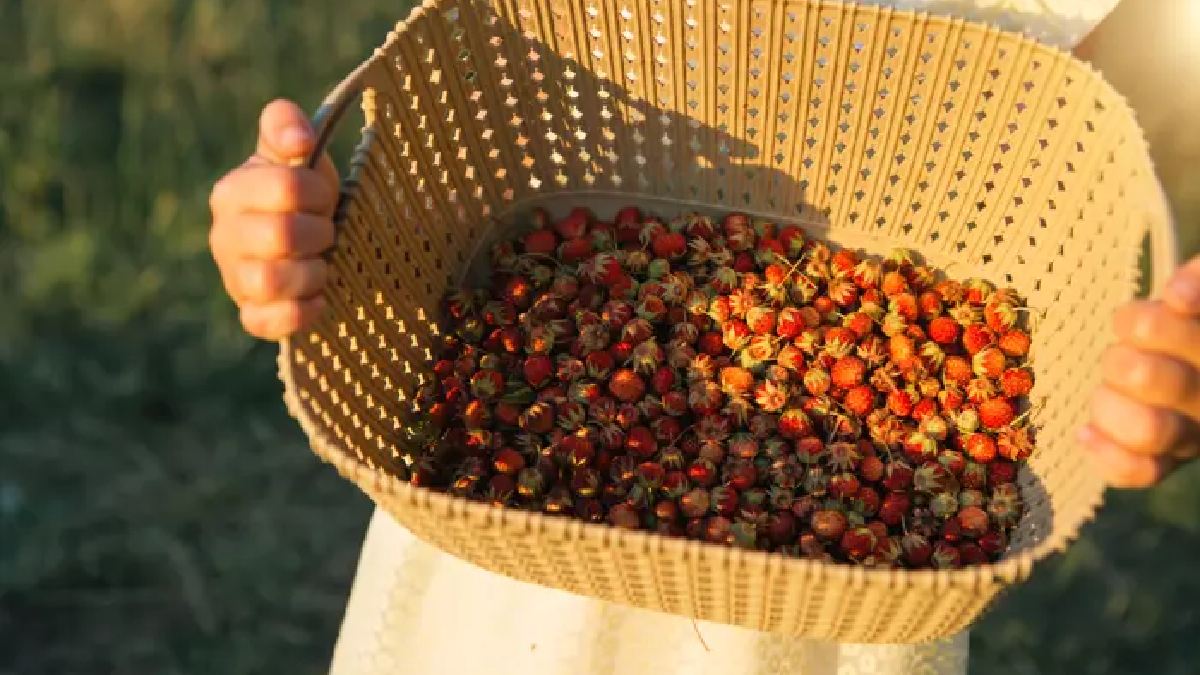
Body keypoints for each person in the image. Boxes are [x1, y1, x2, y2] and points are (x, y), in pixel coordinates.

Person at [208, 1, 1198, 672]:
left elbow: (1121, 162)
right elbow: (461, 99)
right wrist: (314, 228)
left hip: (841, 615)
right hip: (489, 564)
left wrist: (1165, 351)